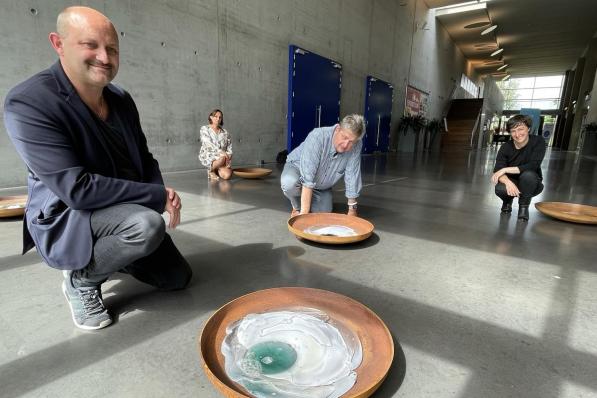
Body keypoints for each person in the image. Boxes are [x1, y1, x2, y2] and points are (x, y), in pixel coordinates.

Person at [3, 6, 192, 330]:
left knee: (177, 278)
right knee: (146, 226)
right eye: (90, 45)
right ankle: (81, 279)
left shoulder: (121, 100)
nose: (104, 57)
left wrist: (160, 193)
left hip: (119, 207)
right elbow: (76, 189)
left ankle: (113, 253)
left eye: (112, 49)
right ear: (58, 44)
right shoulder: (30, 102)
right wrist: (155, 197)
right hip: (68, 214)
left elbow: (145, 157)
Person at [280, 114, 364, 217]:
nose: (346, 144)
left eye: (351, 142)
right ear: (338, 129)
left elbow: (352, 176)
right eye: (344, 137)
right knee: (289, 183)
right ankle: (296, 207)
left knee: (324, 212)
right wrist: (304, 215)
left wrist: (352, 210)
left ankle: (309, 198)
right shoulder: (318, 137)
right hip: (299, 170)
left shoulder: (356, 145)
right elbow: (307, 177)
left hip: (320, 184)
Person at [491, 114, 546, 221]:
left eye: (521, 129)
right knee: (501, 189)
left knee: (528, 175)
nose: (517, 134)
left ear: (528, 129)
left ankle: (523, 208)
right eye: (513, 131)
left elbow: (533, 165)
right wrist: (507, 182)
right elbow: (498, 169)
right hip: (512, 180)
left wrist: (505, 169)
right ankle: (507, 201)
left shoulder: (538, 141)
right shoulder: (505, 147)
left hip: (532, 181)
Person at [198, 109, 233, 180]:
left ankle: (216, 169)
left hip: (223, 157)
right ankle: (210, 171)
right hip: (209, 154)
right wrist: (221, 152)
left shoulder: (225, 132)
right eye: (216, 116)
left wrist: (229, 156)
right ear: (211, 117)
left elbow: (229, 146)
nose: (218, 119)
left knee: (227, 176)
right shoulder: (205, 129)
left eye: (220, 117)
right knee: (222, 158)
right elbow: (207, 143)